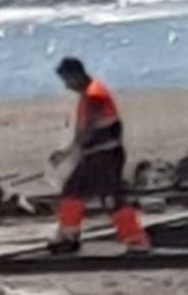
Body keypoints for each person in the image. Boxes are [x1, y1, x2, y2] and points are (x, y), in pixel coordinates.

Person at [50, 58, 150, 252]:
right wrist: (71, 151)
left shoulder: (94, 95)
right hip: (95, 154)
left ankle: (135, 239)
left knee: (111, 197)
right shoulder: (89, 94)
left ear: (75, 76)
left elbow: (88, 129)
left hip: (105, 154)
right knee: (73, 191)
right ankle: (69, 235)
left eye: (66, 80)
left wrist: (69, 152)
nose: (66, 86)